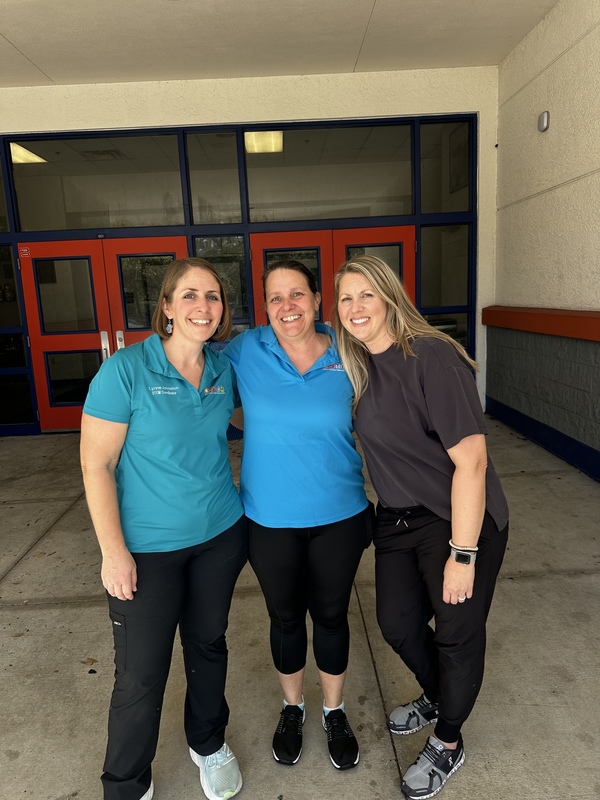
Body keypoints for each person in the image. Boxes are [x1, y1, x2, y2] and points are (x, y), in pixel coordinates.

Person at [333, 255, 509, 800]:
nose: (356, 308)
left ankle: (449, 740)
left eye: (366, 295)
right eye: (345, 299)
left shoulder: (430, 356)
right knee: (398, 624)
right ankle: (439, 696)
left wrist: (464, 552)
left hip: (456, 519)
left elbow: (472, 462)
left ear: (389, 297)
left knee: (456, 634)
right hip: (397, 517)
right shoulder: (359, 366)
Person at [80, 257, 247, 800]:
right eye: (192, 296)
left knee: (208, 645)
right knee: (140, 674)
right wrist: (113, 552)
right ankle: (126, 783)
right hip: (146, 550)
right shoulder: (125, 371)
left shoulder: (222, 371)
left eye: (214, 297)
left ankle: (207, 742)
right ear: (168, 307)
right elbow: (97, 465)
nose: (204, 307)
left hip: (220, 536)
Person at [224, 260, 371, 771]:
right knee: (286, 618)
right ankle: (294, 708)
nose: (287, 306)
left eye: (297, 295)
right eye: (275, 298)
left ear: (316, 300)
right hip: (269, 520)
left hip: (341, 515)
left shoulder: (349, 350)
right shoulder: (246, 350)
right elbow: (199, 377)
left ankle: (334, 711)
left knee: (331, 616)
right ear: (264, 308)